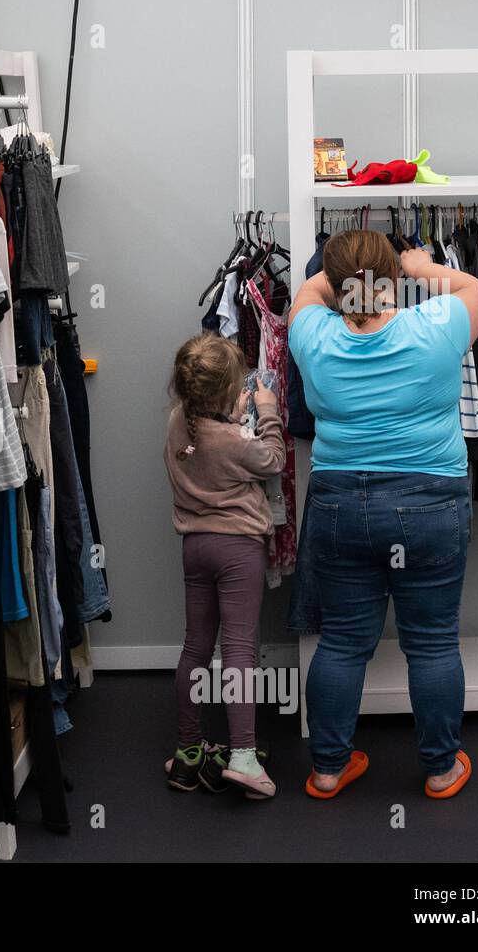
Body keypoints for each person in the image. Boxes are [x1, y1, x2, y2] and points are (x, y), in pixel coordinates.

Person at [288, 229, 478, 801]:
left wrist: (345, 274)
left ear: (334, 281)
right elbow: (476, 288)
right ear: (391, 280)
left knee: (345, 643)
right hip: (428, 505)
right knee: (431, 643)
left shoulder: (312, 331)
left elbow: (309, 293)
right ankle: (441, 770)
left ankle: (327, 768)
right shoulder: (437, 325)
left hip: (339, 506)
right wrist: (420, 267)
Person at [163, 333, 283, 799]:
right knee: (238, 651)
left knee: (195, 648)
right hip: (238, 552)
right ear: (227, 392)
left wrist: (231, 411)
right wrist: (266, 409)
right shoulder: (236, 441)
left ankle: (188, 752)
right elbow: (271, 460)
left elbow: (206, 442)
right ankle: (244, 758)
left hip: (195, 548)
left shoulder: (179, 423)